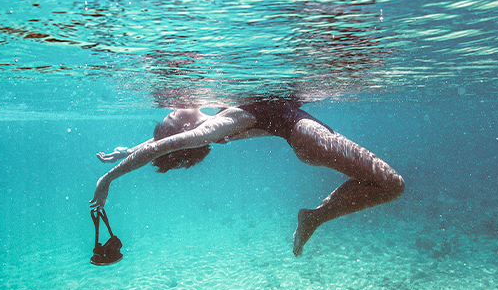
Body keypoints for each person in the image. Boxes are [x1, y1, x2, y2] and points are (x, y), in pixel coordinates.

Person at [92, 101, 404, 256]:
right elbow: (163, 146)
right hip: (312, 141)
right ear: (186, 135)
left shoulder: (209, 125)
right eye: (167, 121)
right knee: (392, 185)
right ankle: (315, 218)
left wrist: (129, 150)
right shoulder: (210, 130)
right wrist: (106, 179)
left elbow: (161, 146)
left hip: (309, 139)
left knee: (385, 185)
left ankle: (315, 218)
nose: (168, 112)